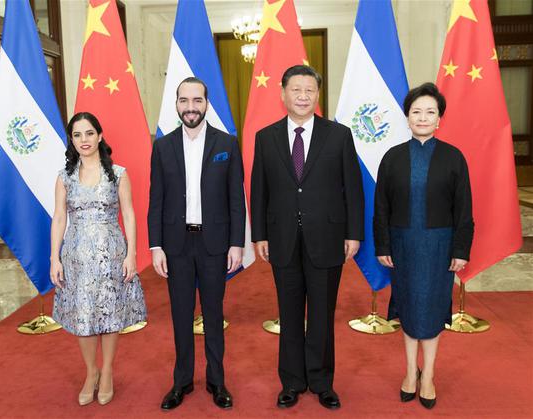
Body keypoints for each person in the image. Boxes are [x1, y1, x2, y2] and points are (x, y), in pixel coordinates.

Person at [251, 65, 364, 410]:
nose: (303, 96)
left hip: (328, 238)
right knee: (288, 314)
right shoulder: (265, 136)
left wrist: (353, 234)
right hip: (282, 239)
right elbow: (259, 190)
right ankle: (292, 382)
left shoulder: (338, 135)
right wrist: (259, 235)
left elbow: (353, 190)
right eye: (296, 90)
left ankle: (321, 381)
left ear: (317, 95)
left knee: (321, 315)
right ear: (283, 93)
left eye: (309, 90)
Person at [374, 82, 474, 409]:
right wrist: (383, 245)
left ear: (439, 118)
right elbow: (381, 208)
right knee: (408, 307)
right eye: (416, 111)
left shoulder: (453, 157)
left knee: (431, 310)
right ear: (407, 116)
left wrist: (461, 250)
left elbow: (464, 209)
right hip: (402, 245)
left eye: (430, 111)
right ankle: (409, 372)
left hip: (439, 247)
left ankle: (428, 374)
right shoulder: (392, 157)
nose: (423, 117)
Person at [148, 77, 245, 411]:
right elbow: (156, 200)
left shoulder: (227, 144)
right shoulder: (162, 147)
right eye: (184, 100)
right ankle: (182, 381)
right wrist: (155, 246)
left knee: (214, 315)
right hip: (175, 245)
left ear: (206, 103)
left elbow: (236, 198)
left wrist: (237, 243)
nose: (191, 107)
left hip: (214, 243)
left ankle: (217, 381)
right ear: (176, 104)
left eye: (197, 100)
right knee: (180, 315)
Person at [50, 112, 147, 406]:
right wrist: (54, 258)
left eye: (89, 133)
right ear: (72, 140)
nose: (84, 140)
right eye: (77, 135)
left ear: (100, 136)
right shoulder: (64, 176)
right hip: (76, 256)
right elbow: (59, 218)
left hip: (111, 254)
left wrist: (132, 253)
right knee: (83, 316)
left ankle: (107, 371)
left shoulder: (118, 173)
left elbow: (129, 214)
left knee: (109, 313)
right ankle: (90, 372)